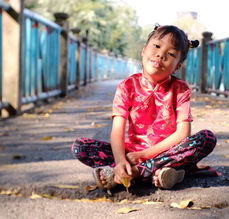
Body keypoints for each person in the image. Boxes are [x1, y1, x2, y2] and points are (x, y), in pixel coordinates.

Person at [71, 25, 217, 191]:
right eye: (157, 46)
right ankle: (151, 173)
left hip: (167, 154)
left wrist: (144, 156)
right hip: (132, 154)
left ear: (177, 66)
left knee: (207, 138)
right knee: (80, 147)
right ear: (143, 50)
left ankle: (132, 174)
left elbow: (183, 133)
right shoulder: (127, 86)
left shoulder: (180, 89)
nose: (160, 54)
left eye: (170, 54)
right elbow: (117, 131)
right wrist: (121, 161)